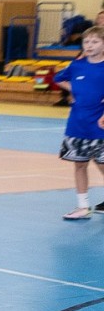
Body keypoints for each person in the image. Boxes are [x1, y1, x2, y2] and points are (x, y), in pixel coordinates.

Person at [54, 25, 104, 220]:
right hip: (77, 125)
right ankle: (83, 206)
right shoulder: (77, 65)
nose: (89, 45)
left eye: (95, 42)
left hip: (99, 127)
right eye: (86, 42)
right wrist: (73, 89)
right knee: (79, 165)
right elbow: (58, 78)